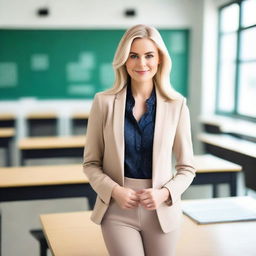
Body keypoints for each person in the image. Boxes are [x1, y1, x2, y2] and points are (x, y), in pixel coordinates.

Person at [83, 24, 196, 256]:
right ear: (124, 59)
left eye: (149, 56)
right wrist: (115, 191)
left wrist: (164, 193)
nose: (141, 63)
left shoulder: (177, 105)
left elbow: (187, 168)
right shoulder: (103, 102)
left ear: (160, 60)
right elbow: (91, 164)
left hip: (161, 209)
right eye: (133, 56)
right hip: (117, 208)